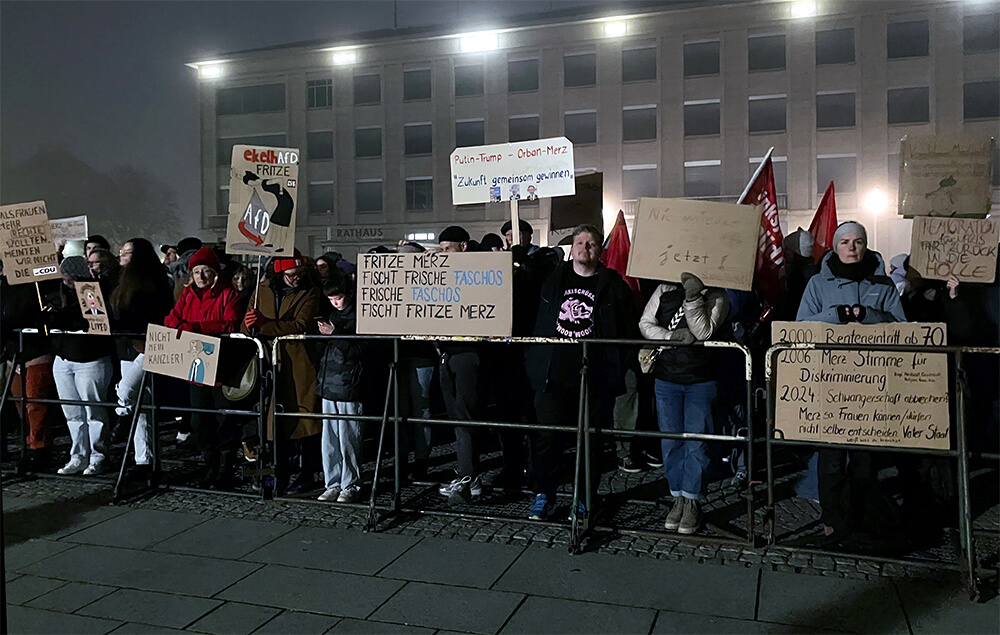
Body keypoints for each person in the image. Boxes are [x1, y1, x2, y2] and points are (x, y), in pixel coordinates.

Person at [796, 221, 906, 550]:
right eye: (845, 242)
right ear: (835, 246)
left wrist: (869, 315)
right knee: (830, 461)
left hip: (870, 384)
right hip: (829, 382)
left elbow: (901, 326)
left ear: (866, 245)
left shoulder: (883, 283)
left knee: (864, 461)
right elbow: (801, 324)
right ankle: (832, 522)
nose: (852, 247)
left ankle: (862, 522)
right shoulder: (818, 283)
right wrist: (836, 315)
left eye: (858, 241)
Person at [524, 224, 639, 520]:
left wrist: (618, 365)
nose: (584, 248)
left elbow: (629, 330)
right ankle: (544, 494)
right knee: (547, 440)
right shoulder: (551, 280)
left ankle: (585, 497)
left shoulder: (614, 285)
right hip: (552, 375)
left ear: (599, 249)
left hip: (595, 376)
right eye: (579, 243)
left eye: (590, 243)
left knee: (590, 441)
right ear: (571, 248)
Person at [639, 272, 729, 534]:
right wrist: (670, 337)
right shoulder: (664, 287)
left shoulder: (717, 293)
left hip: (701, 378)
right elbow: (645, 323)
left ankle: (691, 500)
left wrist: (693, 298)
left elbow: (704, 331)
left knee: (696, 442)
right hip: (667, 378)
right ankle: (677, 496)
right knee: (670, 440)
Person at [242, 249, 325, 493]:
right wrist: (249, 327)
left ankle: (306, 473)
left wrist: (264, 325)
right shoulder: (262, 291)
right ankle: (275, 472)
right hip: (269, 363)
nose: (295, 279)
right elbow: (246, 325)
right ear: (279, 273)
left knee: (302, 421)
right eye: (290, 275)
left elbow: (300, 324)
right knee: (271, 423)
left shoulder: (309, 291)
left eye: (299, 274)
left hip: (297, 365)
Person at [164, 247, 243, 486]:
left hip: (222, 367)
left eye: (205, 271)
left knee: (224, 420)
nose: (200, 276)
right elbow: (171, 319)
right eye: (196, 271)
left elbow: (230, 323)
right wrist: (184, 328)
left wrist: (195, 328)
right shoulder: (188, 295)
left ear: (214, 272)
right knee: (199, 421)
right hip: (195, 368)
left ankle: (225, 468)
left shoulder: (228, 294)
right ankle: (210, 464)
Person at [43, 256, 116, 475]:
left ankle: (98, 455)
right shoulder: (57, 293)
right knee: (72, 413)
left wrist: (59, 318)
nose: (68, 283)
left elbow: (89, 319)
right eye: (65, 279)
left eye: (71, 279)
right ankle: (78, 455)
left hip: (91, 358)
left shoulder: (95, 291)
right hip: (64, 358)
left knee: (94, 411)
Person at [110, 238, 175, 476]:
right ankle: (144, 460)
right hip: (128, 347)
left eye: (128, 252)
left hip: (150, 346)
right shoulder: (121, 281)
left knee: (127, 392)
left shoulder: (154, 281)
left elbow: (157, 313)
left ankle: (122, 417)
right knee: (142, 406)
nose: (122, 256)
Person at [433, 226, 488, 504]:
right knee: (457, 416)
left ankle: (468, 478)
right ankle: (469, 474)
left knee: (464, 416)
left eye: (447, 248)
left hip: (469, 353)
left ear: (463, 246)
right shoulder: (443, 274)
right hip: (448, 353)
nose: (443, 254)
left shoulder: (483, 272)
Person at [1, 263, 58, 468]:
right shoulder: (5, 289)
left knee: (35, 400)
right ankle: (29, 443)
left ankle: (39, 447)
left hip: (35, 349)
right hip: (14, 350)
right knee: (19, 400)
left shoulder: (37, 288)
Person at [315, 271, 364, 503]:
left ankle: (350, 483)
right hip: (330, 383)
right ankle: (332, 482)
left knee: (348, 437)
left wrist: (335, 334)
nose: (335, 302)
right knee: (330, 438)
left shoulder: (359, 317)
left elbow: (360, 350)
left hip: (349, 384)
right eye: (331, 298)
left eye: (338, 297)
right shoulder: (333, 315)